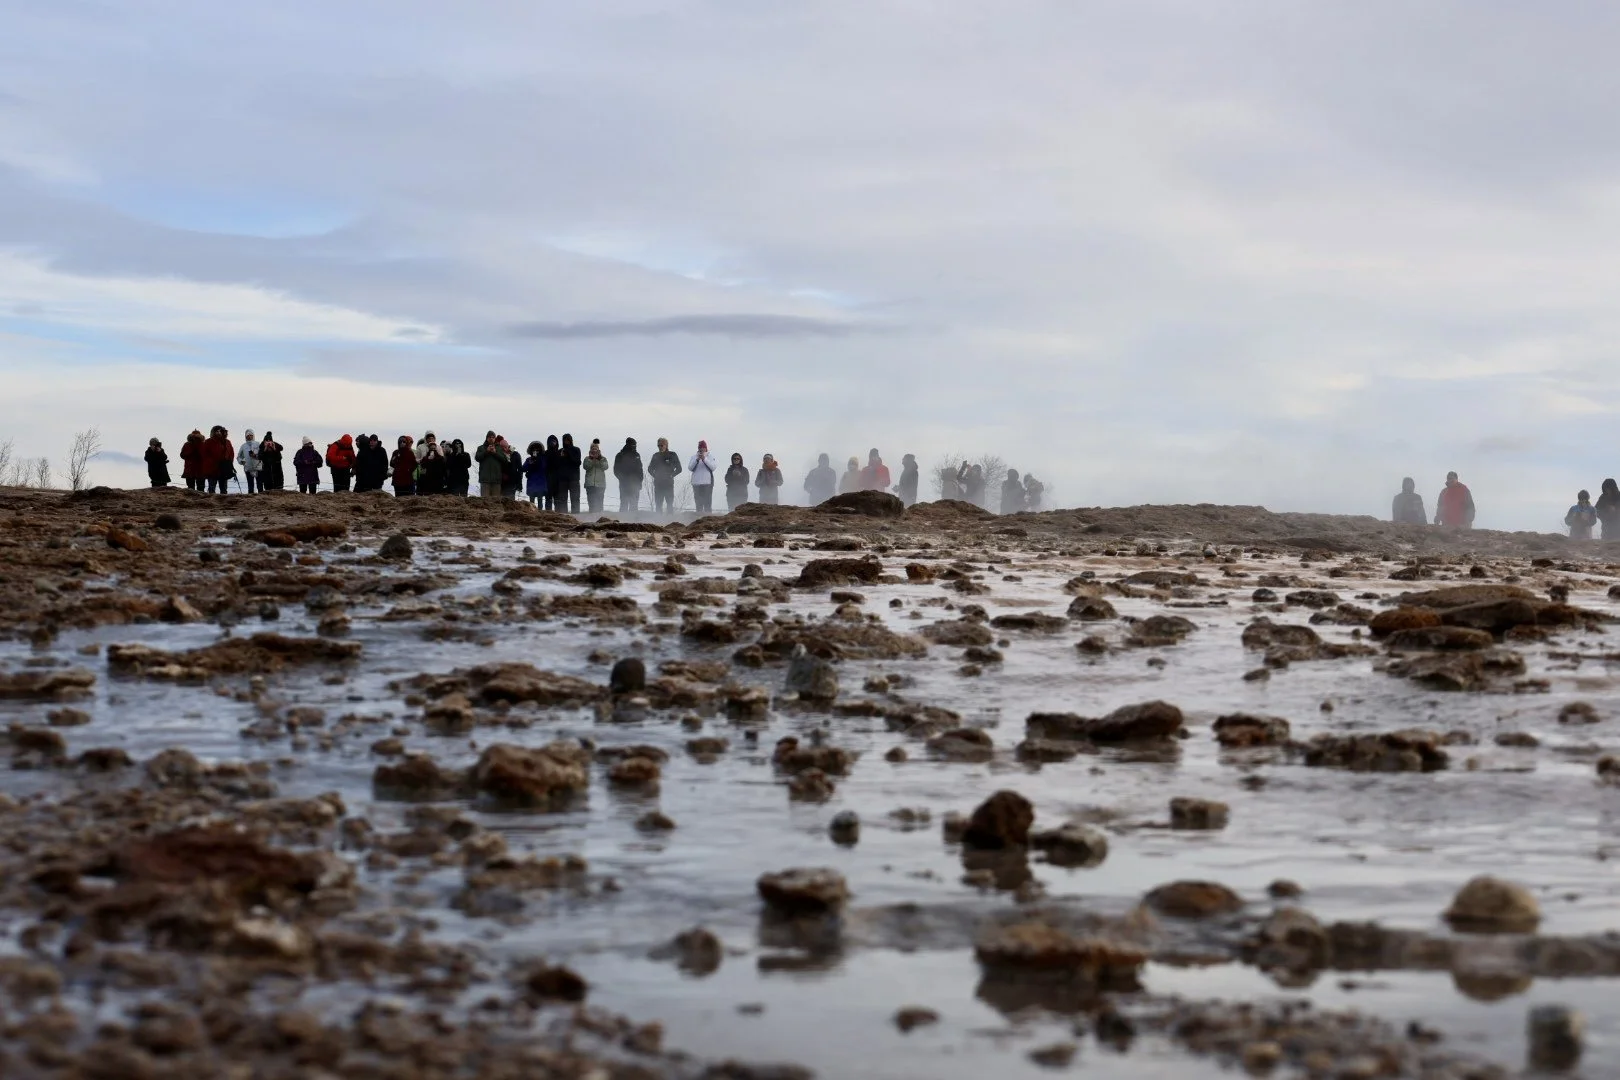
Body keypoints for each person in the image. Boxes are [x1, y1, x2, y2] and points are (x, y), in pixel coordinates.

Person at [648, 437, 683, 515]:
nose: (660, 447)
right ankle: (658, 522)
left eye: (661, 445)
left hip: (668, 484)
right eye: (658, 446)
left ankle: (670, 522)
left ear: (666, 445)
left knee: (669, 504)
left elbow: (679, 469)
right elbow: (650, 468)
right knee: (658, 504)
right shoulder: (655, 456)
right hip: (658, 484)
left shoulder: (672, 455)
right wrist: (655, 476)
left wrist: (671, 475)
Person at [614, 437, 644, 516]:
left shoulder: (637, 455)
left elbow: (640, 469)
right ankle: (622, 523)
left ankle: (634, 523)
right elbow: (616, 470)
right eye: (633, 445)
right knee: (624, 504)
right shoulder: (620, 455)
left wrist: (640, 482)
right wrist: (622, 479)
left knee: (634, 505)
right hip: (624, 484)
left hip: (635, 484)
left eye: (635, 445)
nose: (634, 446)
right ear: (627, 445)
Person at [689, 440, 720, 515]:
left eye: (703, 447)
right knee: (698, 503)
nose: (701, 449)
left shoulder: (710, 456)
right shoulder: (694, 457)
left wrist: (704, 459)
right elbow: (690, 468)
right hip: (696, 483)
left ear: (706, 448)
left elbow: (713, 467)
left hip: (707, 483)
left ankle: (708, 518)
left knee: (707, 503)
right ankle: (698, 518)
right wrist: (697, 460)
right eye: (700, 447)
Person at [203, 426, 235, 494]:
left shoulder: (227, 442)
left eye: (220, 431)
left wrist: (229, 464)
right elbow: (204, 454)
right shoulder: (208, 442)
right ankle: (211, 503)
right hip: (212, 468)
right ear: (213, 432)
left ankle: (224, 503)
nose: (218, 432)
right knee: (211, 488)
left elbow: (231, 454)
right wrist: (210, 462)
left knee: (223, 489)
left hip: (224, 469)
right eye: (217, 431)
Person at [475, 431, 507, 499]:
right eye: (489, 437)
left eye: (493, 437)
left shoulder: (499, 448)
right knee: (485, 501)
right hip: (485, 480)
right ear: (486, 438)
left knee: (496, 501)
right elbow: (477, 458)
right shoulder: (481, 448)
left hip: (496, 480)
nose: (491, 439)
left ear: (495, 438)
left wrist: (495, 453)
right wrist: (486, 451)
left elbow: (504, 460)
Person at [583, 439, 609, 512]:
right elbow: (586, 467)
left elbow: (605, 467)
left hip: (600, 485)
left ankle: (600, 518)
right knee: (591, 503)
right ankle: (592, 518)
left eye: (596, 449)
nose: (594, 450)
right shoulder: (587, 459)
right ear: (590, 450)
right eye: (593, 449)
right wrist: (591, 459)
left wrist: (599, 458)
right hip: (590, 484)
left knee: (600, 503)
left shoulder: (603, 459)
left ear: (598, 450)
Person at [559, 434, 582, 513]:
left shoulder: (576, 450)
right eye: (565, 440)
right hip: (563, 479)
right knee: (562, 499)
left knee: (575, 498)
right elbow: (558, 465)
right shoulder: (560, 451)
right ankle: (563, 517)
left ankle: (576, 517)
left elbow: (578, 462)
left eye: (568, 440)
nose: (566, 442)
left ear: (571, 440)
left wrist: (568, 453)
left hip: (574, 479)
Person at [543, 435, 566, 512]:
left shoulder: (560, 452)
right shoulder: (545, 453)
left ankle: (558, 514)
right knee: (548, 498)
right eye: (550, 441)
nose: (552, 443)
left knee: (557, 499)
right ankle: (548, 515)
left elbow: (562, 465)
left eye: (554, 441)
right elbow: (544, 466)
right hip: (548, 478)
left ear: (557, 442)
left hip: (558, 479)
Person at [523, 441, 549, 506]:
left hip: (540, 483)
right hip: (531, 483)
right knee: (531, 503)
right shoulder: (528, 459)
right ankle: (532, 514)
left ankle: (540, 515)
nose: (535, 450)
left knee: (540, 501)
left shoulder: (543, 458)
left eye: (537, 449)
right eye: (534, 449)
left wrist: (537, 460)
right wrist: (530, 464)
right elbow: (523, 468)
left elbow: (544, 467)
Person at [236, 429, 262, 494]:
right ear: (245, 437)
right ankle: (250, 501)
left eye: (251, 435)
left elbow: (262, 455)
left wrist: (255, 456)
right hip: (248, 468)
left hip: (258, 468)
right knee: (250, 487)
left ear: (253, 436)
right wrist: (241, 461)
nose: (249, 437)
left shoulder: (258, 444)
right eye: (248, 435)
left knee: (260, 486)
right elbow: (239, 457)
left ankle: (262, 501)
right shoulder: (243, 446)